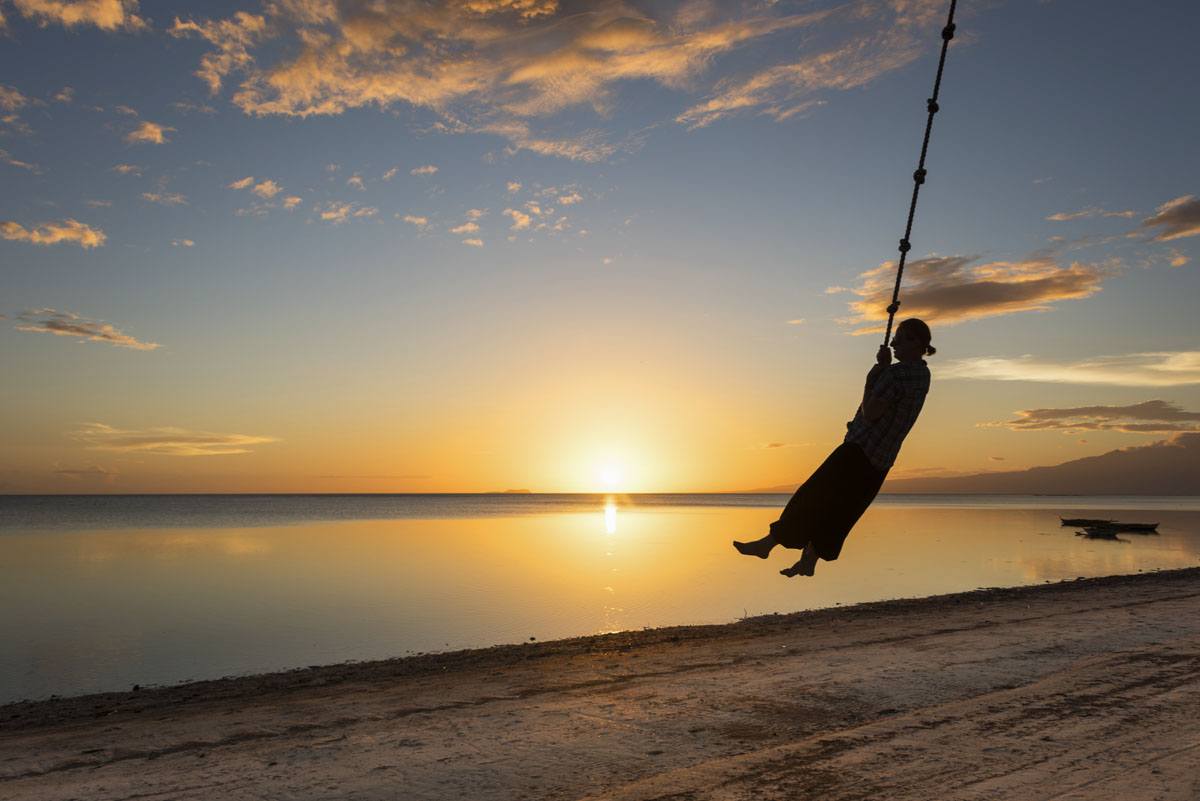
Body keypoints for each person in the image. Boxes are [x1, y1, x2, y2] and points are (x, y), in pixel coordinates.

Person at [733, 318, 935, 577]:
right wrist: (884, 370)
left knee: (812, 496)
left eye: (900, 338)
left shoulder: (897, 374)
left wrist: (876, 373)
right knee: (843, 511)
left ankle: (768, 544)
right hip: (882, 459)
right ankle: (809, 560)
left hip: (859, 450)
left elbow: (870, 412)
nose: (894, 343)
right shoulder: (923, 374)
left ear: (916, 342)